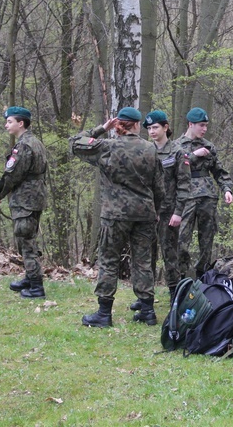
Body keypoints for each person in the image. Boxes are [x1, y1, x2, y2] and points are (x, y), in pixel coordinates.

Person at [70, 107, 165, 328]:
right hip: (144, 214)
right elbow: (159, 187)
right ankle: (147, 310)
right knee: (142, 262)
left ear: (118, 125)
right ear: (137, 125)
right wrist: (156, 211)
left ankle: (104, 313)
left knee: (109, 260)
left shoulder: (106, 147)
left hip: (115, 214)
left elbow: (75, 143)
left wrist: (102, 128)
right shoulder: (150, 149)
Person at [174, 107, 233, 278]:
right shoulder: (176, 146)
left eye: (206, 125)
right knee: (181, 240)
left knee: (206, 239)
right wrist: (193, 155)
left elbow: (219, 172)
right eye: (201, 125)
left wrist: (227, 189)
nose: (204, 129)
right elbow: (173, 167)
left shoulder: (209, 146)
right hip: (185, 197)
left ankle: (203, 276)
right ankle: (181, 278)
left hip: (207, 196)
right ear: (190, 124)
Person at [0, 106, 48, 299]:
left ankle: (36, 287)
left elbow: (13, 174)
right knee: (26, 238)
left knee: (26, 242)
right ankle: (29, 277)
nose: (6, 125)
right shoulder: (36, 142)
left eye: (9, 121)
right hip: (35, 197)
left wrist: (0, 193)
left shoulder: (24, 146)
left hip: (26, 200)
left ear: (21, 123)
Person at [139, 110, 190, 306]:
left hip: (169, 212)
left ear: (165, 128)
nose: (152, 131)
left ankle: (174, 295)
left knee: (170, 254)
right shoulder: (146, 150)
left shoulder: (177, 152)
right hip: (147, 212)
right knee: (146, 256)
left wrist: (178, 212)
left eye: (155, 127)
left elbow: (184, 185)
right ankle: (146, 296)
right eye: (149, 128)